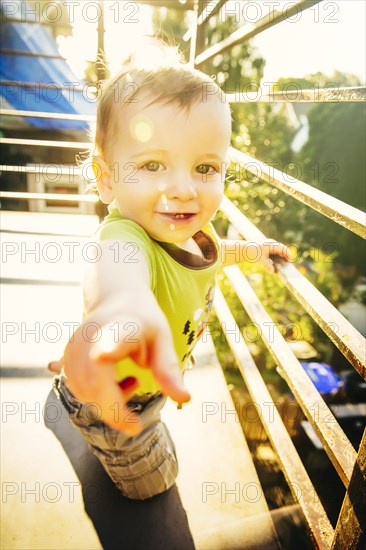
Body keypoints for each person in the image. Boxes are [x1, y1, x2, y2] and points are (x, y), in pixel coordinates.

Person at [51, 47, 291, 500]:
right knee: (156, 485)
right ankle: (74, 401)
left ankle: (69, 377)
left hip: (143, 381)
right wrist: (122, 309)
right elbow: (117, 275)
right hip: (115, 403)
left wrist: (255, 250)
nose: (182, 189)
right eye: (152, 165)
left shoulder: (195, 234)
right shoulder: (126, 237)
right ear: (106, 178)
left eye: (205, 168)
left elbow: (219, 253)